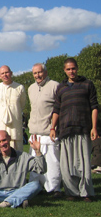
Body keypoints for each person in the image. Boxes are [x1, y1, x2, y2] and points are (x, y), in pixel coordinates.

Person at [50, 57, 98, 202]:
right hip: (65, 129)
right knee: (67, 164)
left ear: (77, 68)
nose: (72, 71)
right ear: (64, 70)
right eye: (68, 69)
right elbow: (56, 109)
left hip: (83, 128)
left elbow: (94, 107)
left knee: (83, 163)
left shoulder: (87, 84)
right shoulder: (61, 87)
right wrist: (53, 127)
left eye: (73, 68)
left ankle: (86, 193)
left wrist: (94, 127)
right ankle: (71, 192)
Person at [0, 130, 46, 208]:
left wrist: (38, 152)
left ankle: (2, 202)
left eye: (4, 140)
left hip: (17, 190)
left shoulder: (23, 156)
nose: (2, 144)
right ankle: (17, 200)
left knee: (36, 185)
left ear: (9, 138)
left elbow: (41, 169)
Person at [27, 63, 61, 195]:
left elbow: (59, 109)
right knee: (36, 163)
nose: (37, 75)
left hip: (49, 132)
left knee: (52, 163)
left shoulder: (55, 86)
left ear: (45, 72)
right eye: (35, 73)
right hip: (35, 132)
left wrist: (54, 126)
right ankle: (37, 187)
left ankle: (54, 188)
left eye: (40, 72)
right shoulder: (31, 88)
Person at [0, 65, 27, 151]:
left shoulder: (19, 88)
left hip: (15, 126)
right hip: (0, 125)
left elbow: (22, 104)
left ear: (11, 73)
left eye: (6, 72)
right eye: (2, 73)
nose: (5, 75)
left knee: (17, 153)